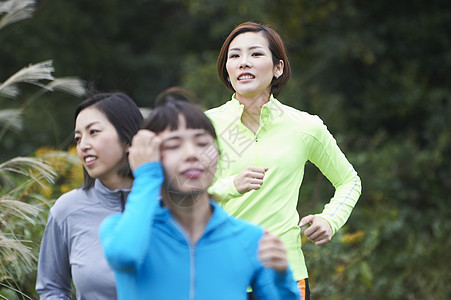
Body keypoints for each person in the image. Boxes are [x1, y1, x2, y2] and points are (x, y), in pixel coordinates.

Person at [205, 22, 362, 299]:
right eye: (235, 56)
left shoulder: (305, 126)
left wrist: (330, 219)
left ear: (278, 68)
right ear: (226, 70)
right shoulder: (204, 126)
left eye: (255, 54)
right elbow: (177, 197)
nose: (244, 63)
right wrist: (231, 186)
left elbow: (349, 181)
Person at [99, 87, 299, 300]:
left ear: (219, 156)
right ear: (151, 159)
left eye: (202, 143)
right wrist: (147, 175)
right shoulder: (120, 231)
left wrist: (281, 277)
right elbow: (125, 255)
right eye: (174, 146)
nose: (192, 154)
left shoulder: (250, 240)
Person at [36, 92, 143, 299]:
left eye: (93, 132)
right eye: (78, 138)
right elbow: (52, 287)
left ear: (128, 138)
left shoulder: (170, 204)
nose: (83, 145)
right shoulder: (66, 210)